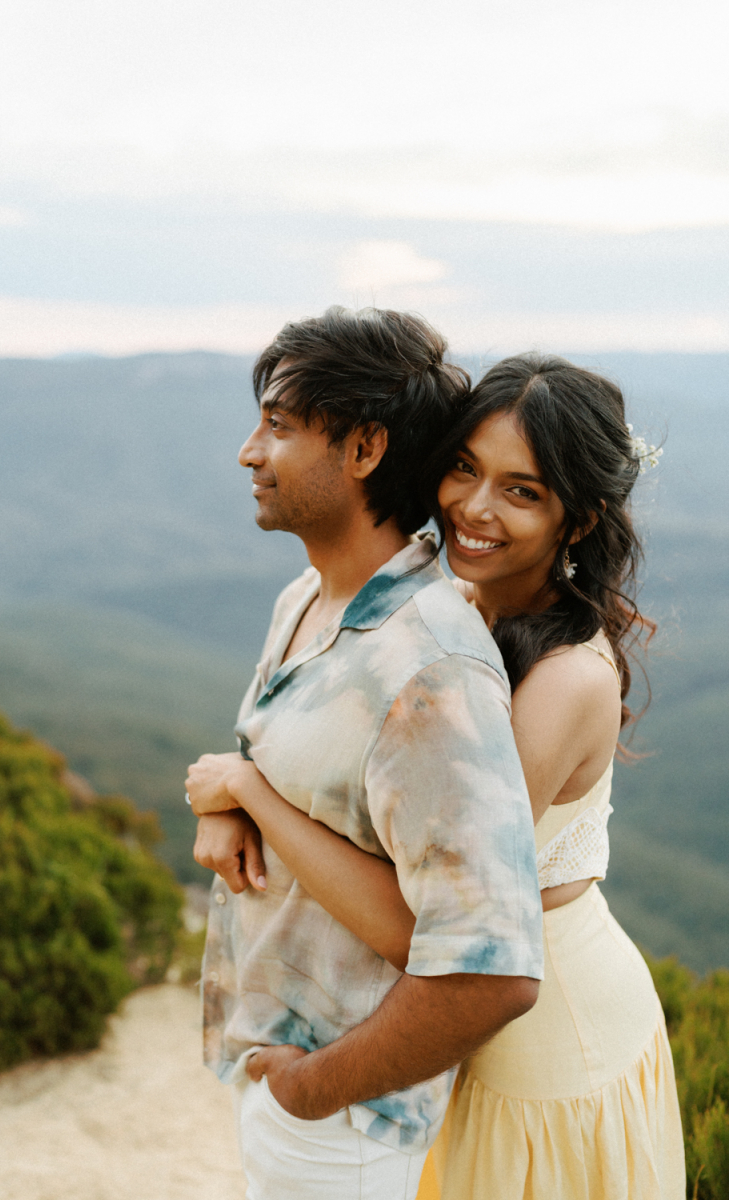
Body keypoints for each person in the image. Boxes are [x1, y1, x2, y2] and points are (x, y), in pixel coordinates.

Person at [191, 353, 686, 1199]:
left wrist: (251, 793)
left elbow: (414, 908)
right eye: (464, 469)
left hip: (538, 1047)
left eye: (522, 491)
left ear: (578, 519)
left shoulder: (562, 678)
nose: (474, 508)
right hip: (429, 1033)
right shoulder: (446, 602)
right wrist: (245, 788)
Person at [186, 308, 544, 1200]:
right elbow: (313, 771)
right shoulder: (307, 597)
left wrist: (316, 1091)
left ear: (365, 449)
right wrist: (238, 790)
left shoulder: (430, 668)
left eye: (278, 425)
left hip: (346, 1120)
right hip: (282, 1070)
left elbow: (491, 969)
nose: (249, 453)